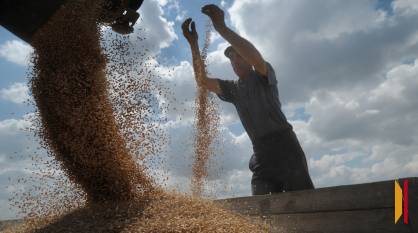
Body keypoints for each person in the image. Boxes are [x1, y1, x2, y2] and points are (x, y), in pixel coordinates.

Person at [181, 4, 314, 195]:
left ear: (248, 59)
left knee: (305, 204)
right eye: (232, 59)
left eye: (239, 56)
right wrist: (193, 44)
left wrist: (221, 28)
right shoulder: (233, 89)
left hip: (286, 148)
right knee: (261, 210)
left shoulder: (262, 74)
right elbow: (202, 81)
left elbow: (257, 59)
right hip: (260, 153)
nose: (235, 62)